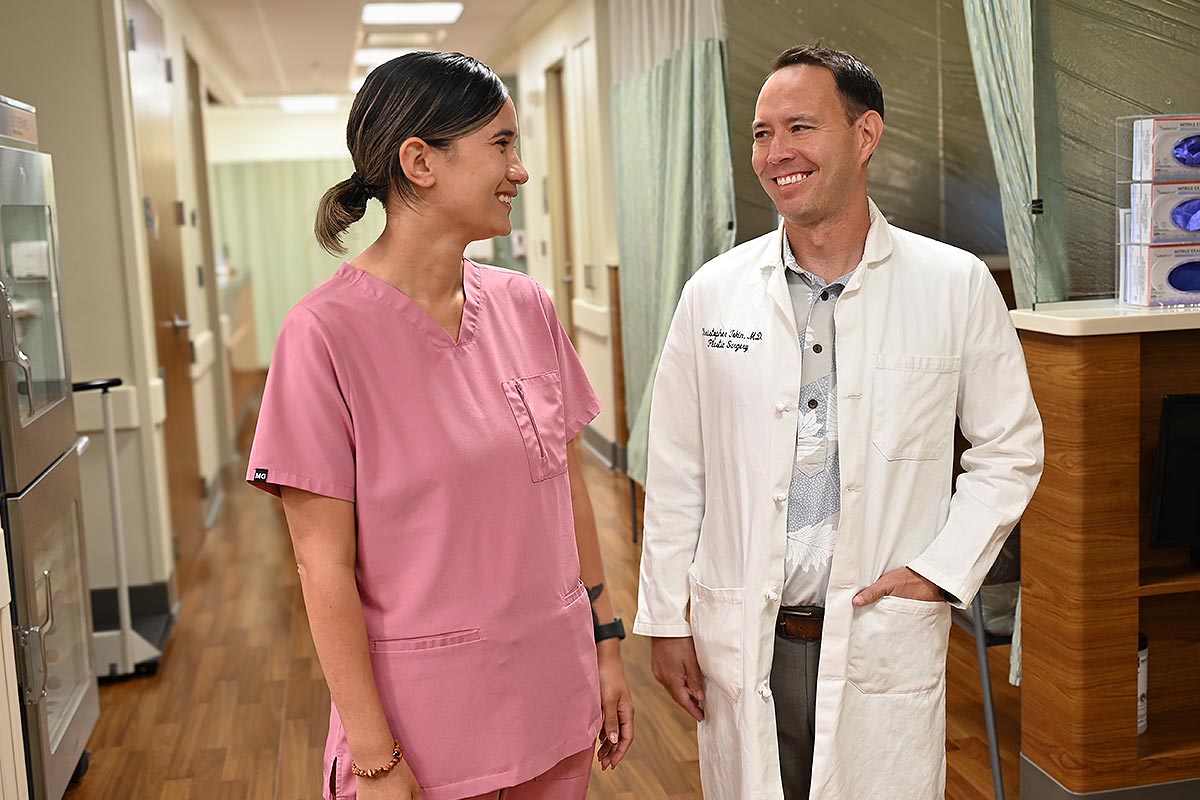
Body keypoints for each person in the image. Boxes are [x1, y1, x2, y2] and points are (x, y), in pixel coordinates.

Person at [634, 44, 1043, 800]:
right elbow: (678, 464)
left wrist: (940, 570)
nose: (775, 153)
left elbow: (1010, 448)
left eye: (799, 127)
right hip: (749, 633)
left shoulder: (953, 285)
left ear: (865, 137)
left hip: (877, 631)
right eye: (760, 133)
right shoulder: (714, 293)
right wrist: (664, 615)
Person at [247, 51, 633, 800]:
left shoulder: (527, 307)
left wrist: (606, 640)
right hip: (425, 730)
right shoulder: (323, 335)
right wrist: (374, 758)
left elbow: (566, 487)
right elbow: (321, 568)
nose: (520, 170)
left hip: (555, 696)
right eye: (501, 144)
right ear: (420, 161)